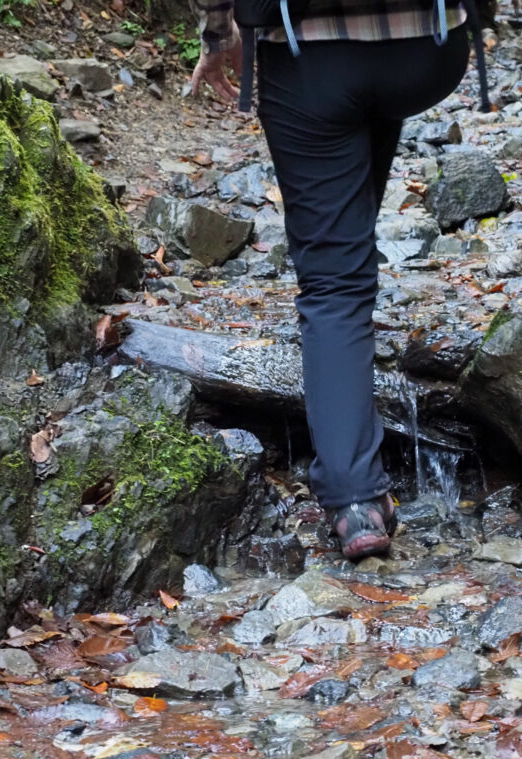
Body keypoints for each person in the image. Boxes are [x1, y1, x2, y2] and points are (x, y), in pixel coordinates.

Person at [189, 0, 472, 559]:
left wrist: (219, 33)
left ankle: (355, 500)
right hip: (428, 47)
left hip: (309, 51)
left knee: (334, 281)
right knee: (363, 121)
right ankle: (349, 240)